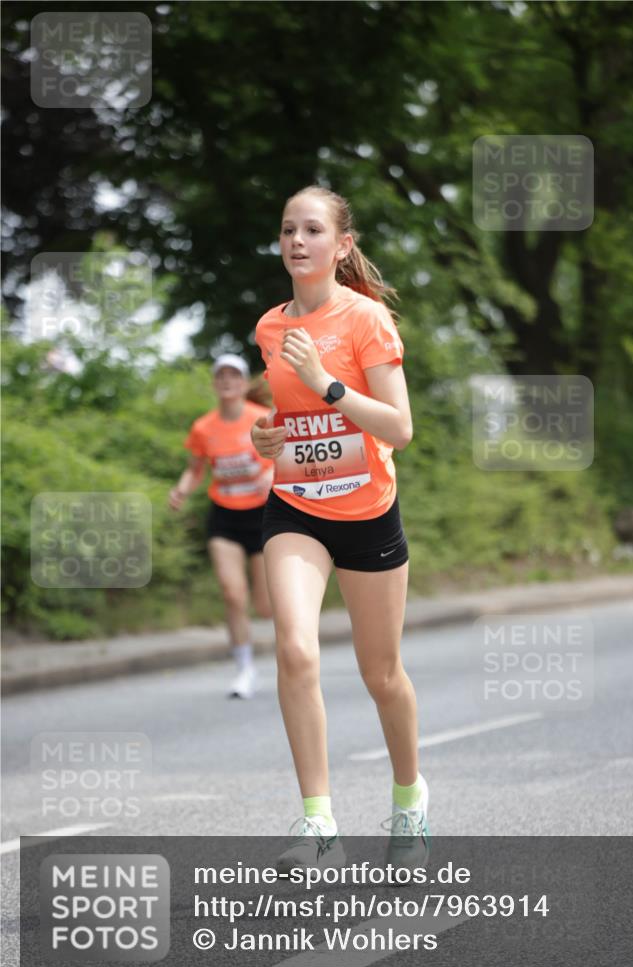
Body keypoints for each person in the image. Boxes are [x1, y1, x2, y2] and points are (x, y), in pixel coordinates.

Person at [251, 185, 429, 872]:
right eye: (287, 229)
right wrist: (268, 437)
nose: (297, 241)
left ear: (341, 244)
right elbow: (288, 418)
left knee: (381, 674)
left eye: (313, 230)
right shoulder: (270, 328)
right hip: (294, 505)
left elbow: (399, 428)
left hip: (366, 512)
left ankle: (409, 800)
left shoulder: (366, 319)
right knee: (295, 650)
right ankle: (319, 823)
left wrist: (327, 382)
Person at [170, 354, 273, 699]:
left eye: (234, 375)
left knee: (266, 605)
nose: (227, 381)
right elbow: (195, 469)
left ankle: (294, 652)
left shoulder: (262, 418)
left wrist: (273, 474)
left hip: (263, 516)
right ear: (215, 384)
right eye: (221, 376)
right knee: (232, 593)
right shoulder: (204, 427)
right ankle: (245, 670)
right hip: (225, 517)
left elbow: (285, 456)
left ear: (243, 383)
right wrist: (182, 490)